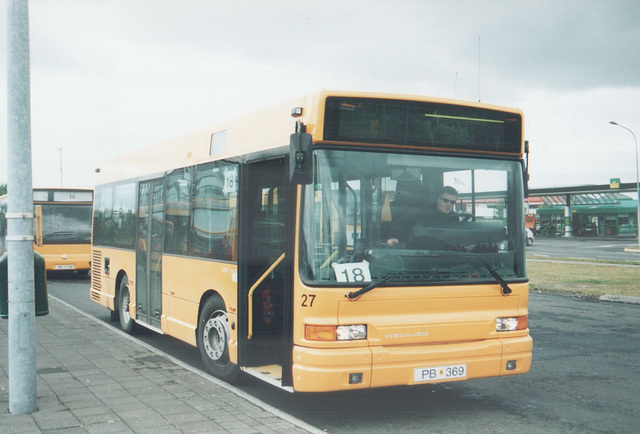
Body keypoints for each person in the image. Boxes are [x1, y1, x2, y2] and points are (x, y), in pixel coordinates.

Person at [386, 186, 458, 246]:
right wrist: (394, 237)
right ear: (438, 199)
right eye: (445, 200)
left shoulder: (455, 217)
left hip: (446, 252)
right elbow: (401, 222)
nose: (449, 204)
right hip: (420, 251)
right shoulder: (423, 212)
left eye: (452, 202)